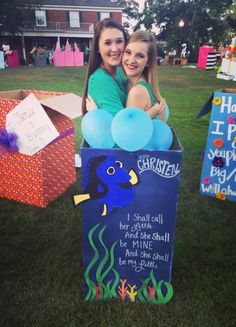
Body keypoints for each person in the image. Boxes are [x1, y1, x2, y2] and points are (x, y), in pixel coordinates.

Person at [82, 18, 164, 118]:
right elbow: (123, 127)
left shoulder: (120, 74)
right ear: (97, 48)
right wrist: (96, 113)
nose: (115, 49)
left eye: (119, 41)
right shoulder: (100, 79)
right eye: (107, 43)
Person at [122, 30, 166, 120]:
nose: (131, 60)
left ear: (148, 62)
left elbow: (129, 130)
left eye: (140, 56)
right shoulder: (127, 82)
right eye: (128, 52)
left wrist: (94, 111)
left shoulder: (137, 91)